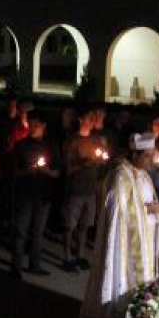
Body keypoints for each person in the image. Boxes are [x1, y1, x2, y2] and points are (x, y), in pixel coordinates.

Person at [79, 136, 159, 318]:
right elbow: (116, 210)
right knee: (123, 278)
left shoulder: (143, 175)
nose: (151, 161)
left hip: (145, 241)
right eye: (147, 157)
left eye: (152, 156)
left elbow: (147, 200)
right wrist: (147, 211)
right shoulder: (120, 175)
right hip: (125, 243)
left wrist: (155, 208)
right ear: (136, 154)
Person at [10, 111, 60, 278]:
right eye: (30, 125)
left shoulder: (51, 146)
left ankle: (34, 265)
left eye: (36, 125)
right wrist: (27, 171)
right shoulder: (21, 145)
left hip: (43, 195)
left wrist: (46, 171)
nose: (33, 128)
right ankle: (16, 268)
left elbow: (57, 173)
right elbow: (13, 171)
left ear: (44, 126)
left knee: (38, 232)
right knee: (21, 231)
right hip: (25, 194)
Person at [61, 104, 110, 273]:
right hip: (75, 189)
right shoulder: (72, 141)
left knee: (85, 225)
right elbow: (67, 168)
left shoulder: (95, 140)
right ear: (81, 119)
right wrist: (84, 163)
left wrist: (102, 159)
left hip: (90, 189)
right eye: (90, 118)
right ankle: (67, 257)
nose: (93, 121)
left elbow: (104, 156)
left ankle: (79, 255)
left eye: (94, 119)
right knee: (70, 225)